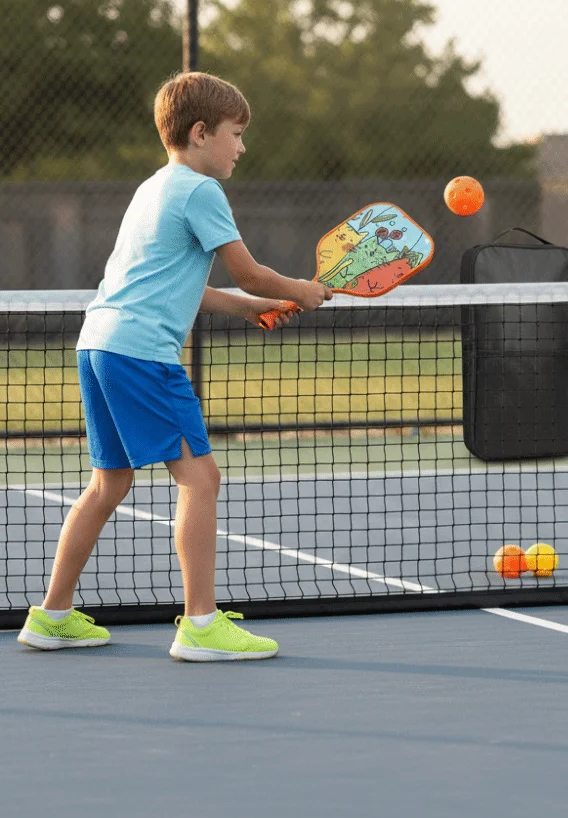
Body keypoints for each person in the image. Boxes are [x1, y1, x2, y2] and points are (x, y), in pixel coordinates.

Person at [17, 72, 333, 661]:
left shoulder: (153, 189)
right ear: (200, 132)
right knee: (200, 478)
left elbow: (173, 283)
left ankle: (50, 616)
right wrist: (301, 289)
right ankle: (201, 625)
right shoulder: (201, 191)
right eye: (236, 135)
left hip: (99, 345)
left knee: (110, 483)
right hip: (141, 353)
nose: (242, 147)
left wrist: (246, 310)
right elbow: (248, 270)